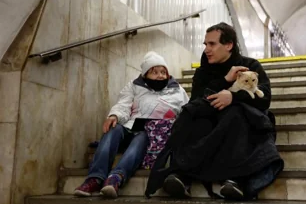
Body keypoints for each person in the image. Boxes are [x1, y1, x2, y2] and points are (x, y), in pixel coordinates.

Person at [145, 23, 284, 200]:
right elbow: (197, 101)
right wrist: (225, 80)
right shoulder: (203, 72)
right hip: (210, 124)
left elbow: (265, 99)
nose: (207, 49)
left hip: (238, 125)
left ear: (228, 45)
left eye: (212, 44)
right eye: (205, 44)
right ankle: (181, 175)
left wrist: (234, 97)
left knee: (235, 114)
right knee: (191, 116)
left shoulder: (249, 65)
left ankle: (235, 179)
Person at [73, 51, 189, 199]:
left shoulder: (177, 90)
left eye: (163, 72)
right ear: (145, 75)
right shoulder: (134, 86)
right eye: (154, 72)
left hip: (153, 132)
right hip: (132, 124)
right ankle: (94, 178)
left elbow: (186, 112)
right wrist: (114, 115)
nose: (160, 76)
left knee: (141, 137)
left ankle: (116, 178)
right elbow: (123, 104)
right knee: (113, 129)